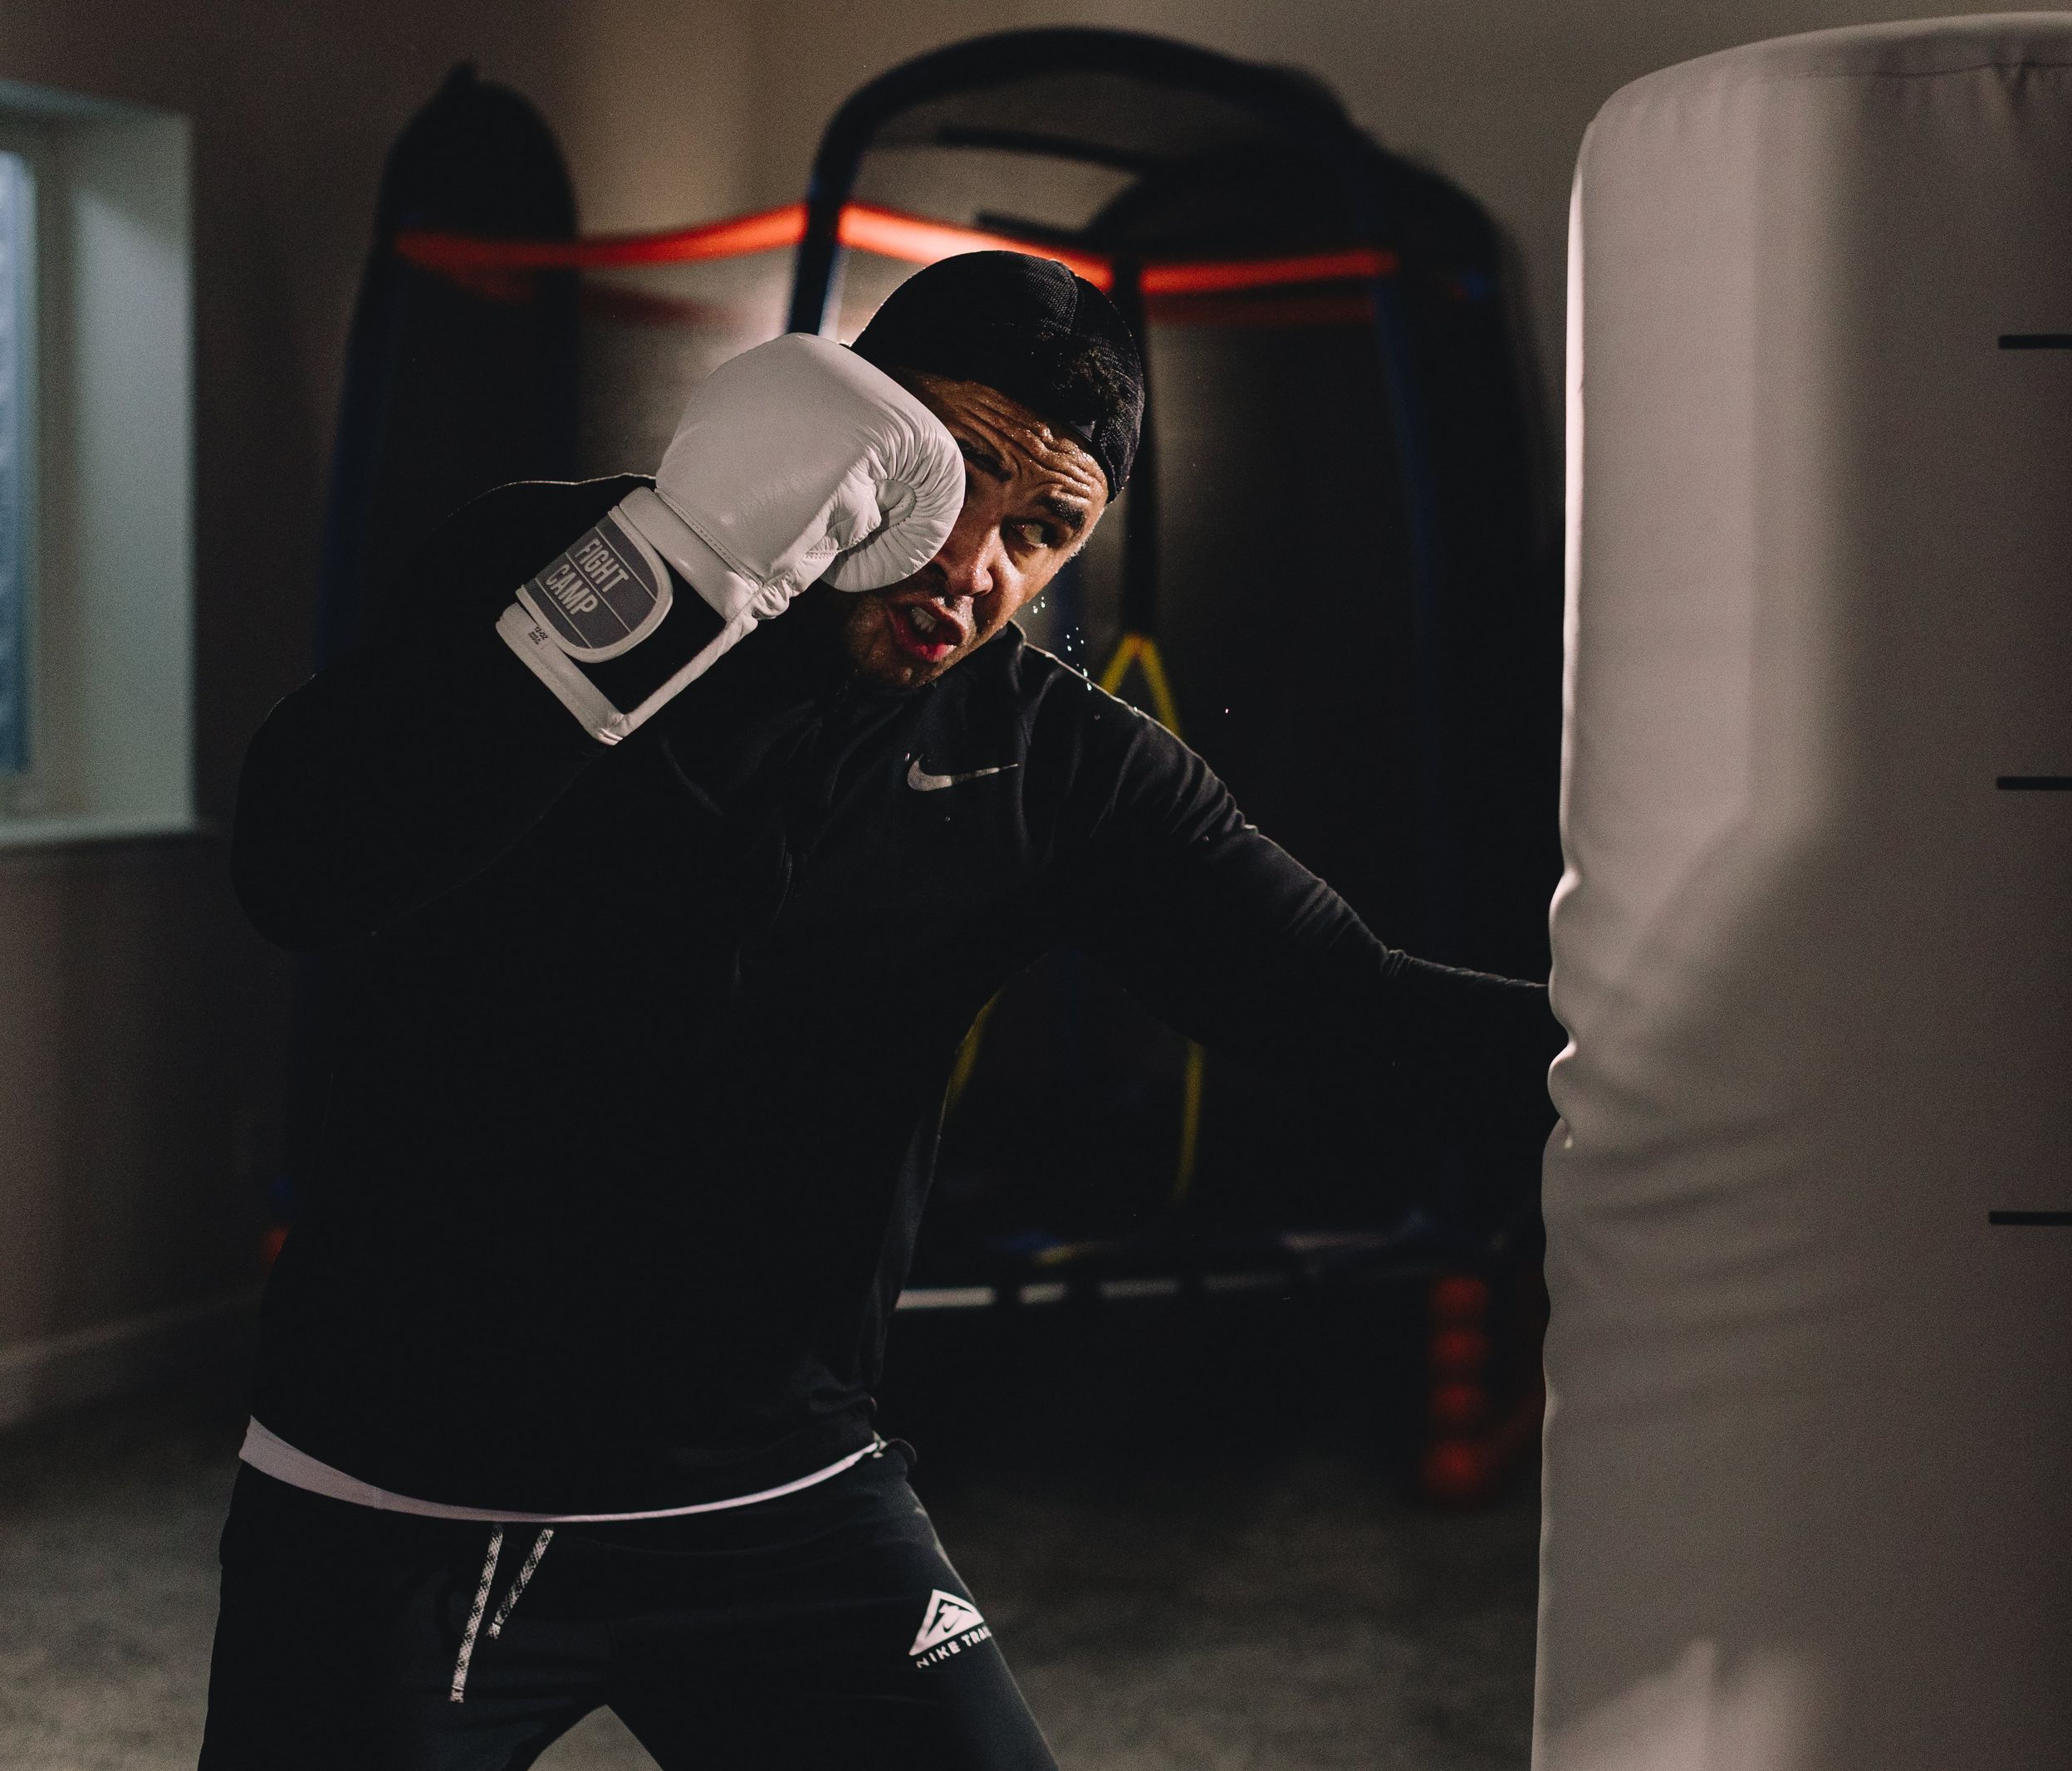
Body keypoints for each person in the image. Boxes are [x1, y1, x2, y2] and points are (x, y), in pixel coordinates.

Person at [200, 251, 1558, 1770]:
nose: (979, 563)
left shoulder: (1061, 766)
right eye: (954, 476)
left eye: (1043, 530)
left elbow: (1347, 1007)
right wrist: (676, 566)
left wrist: (1705, 1066)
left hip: (782, 1497)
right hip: (399, 1492)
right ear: (853, 425)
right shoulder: (558, 560)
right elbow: (302, 867)